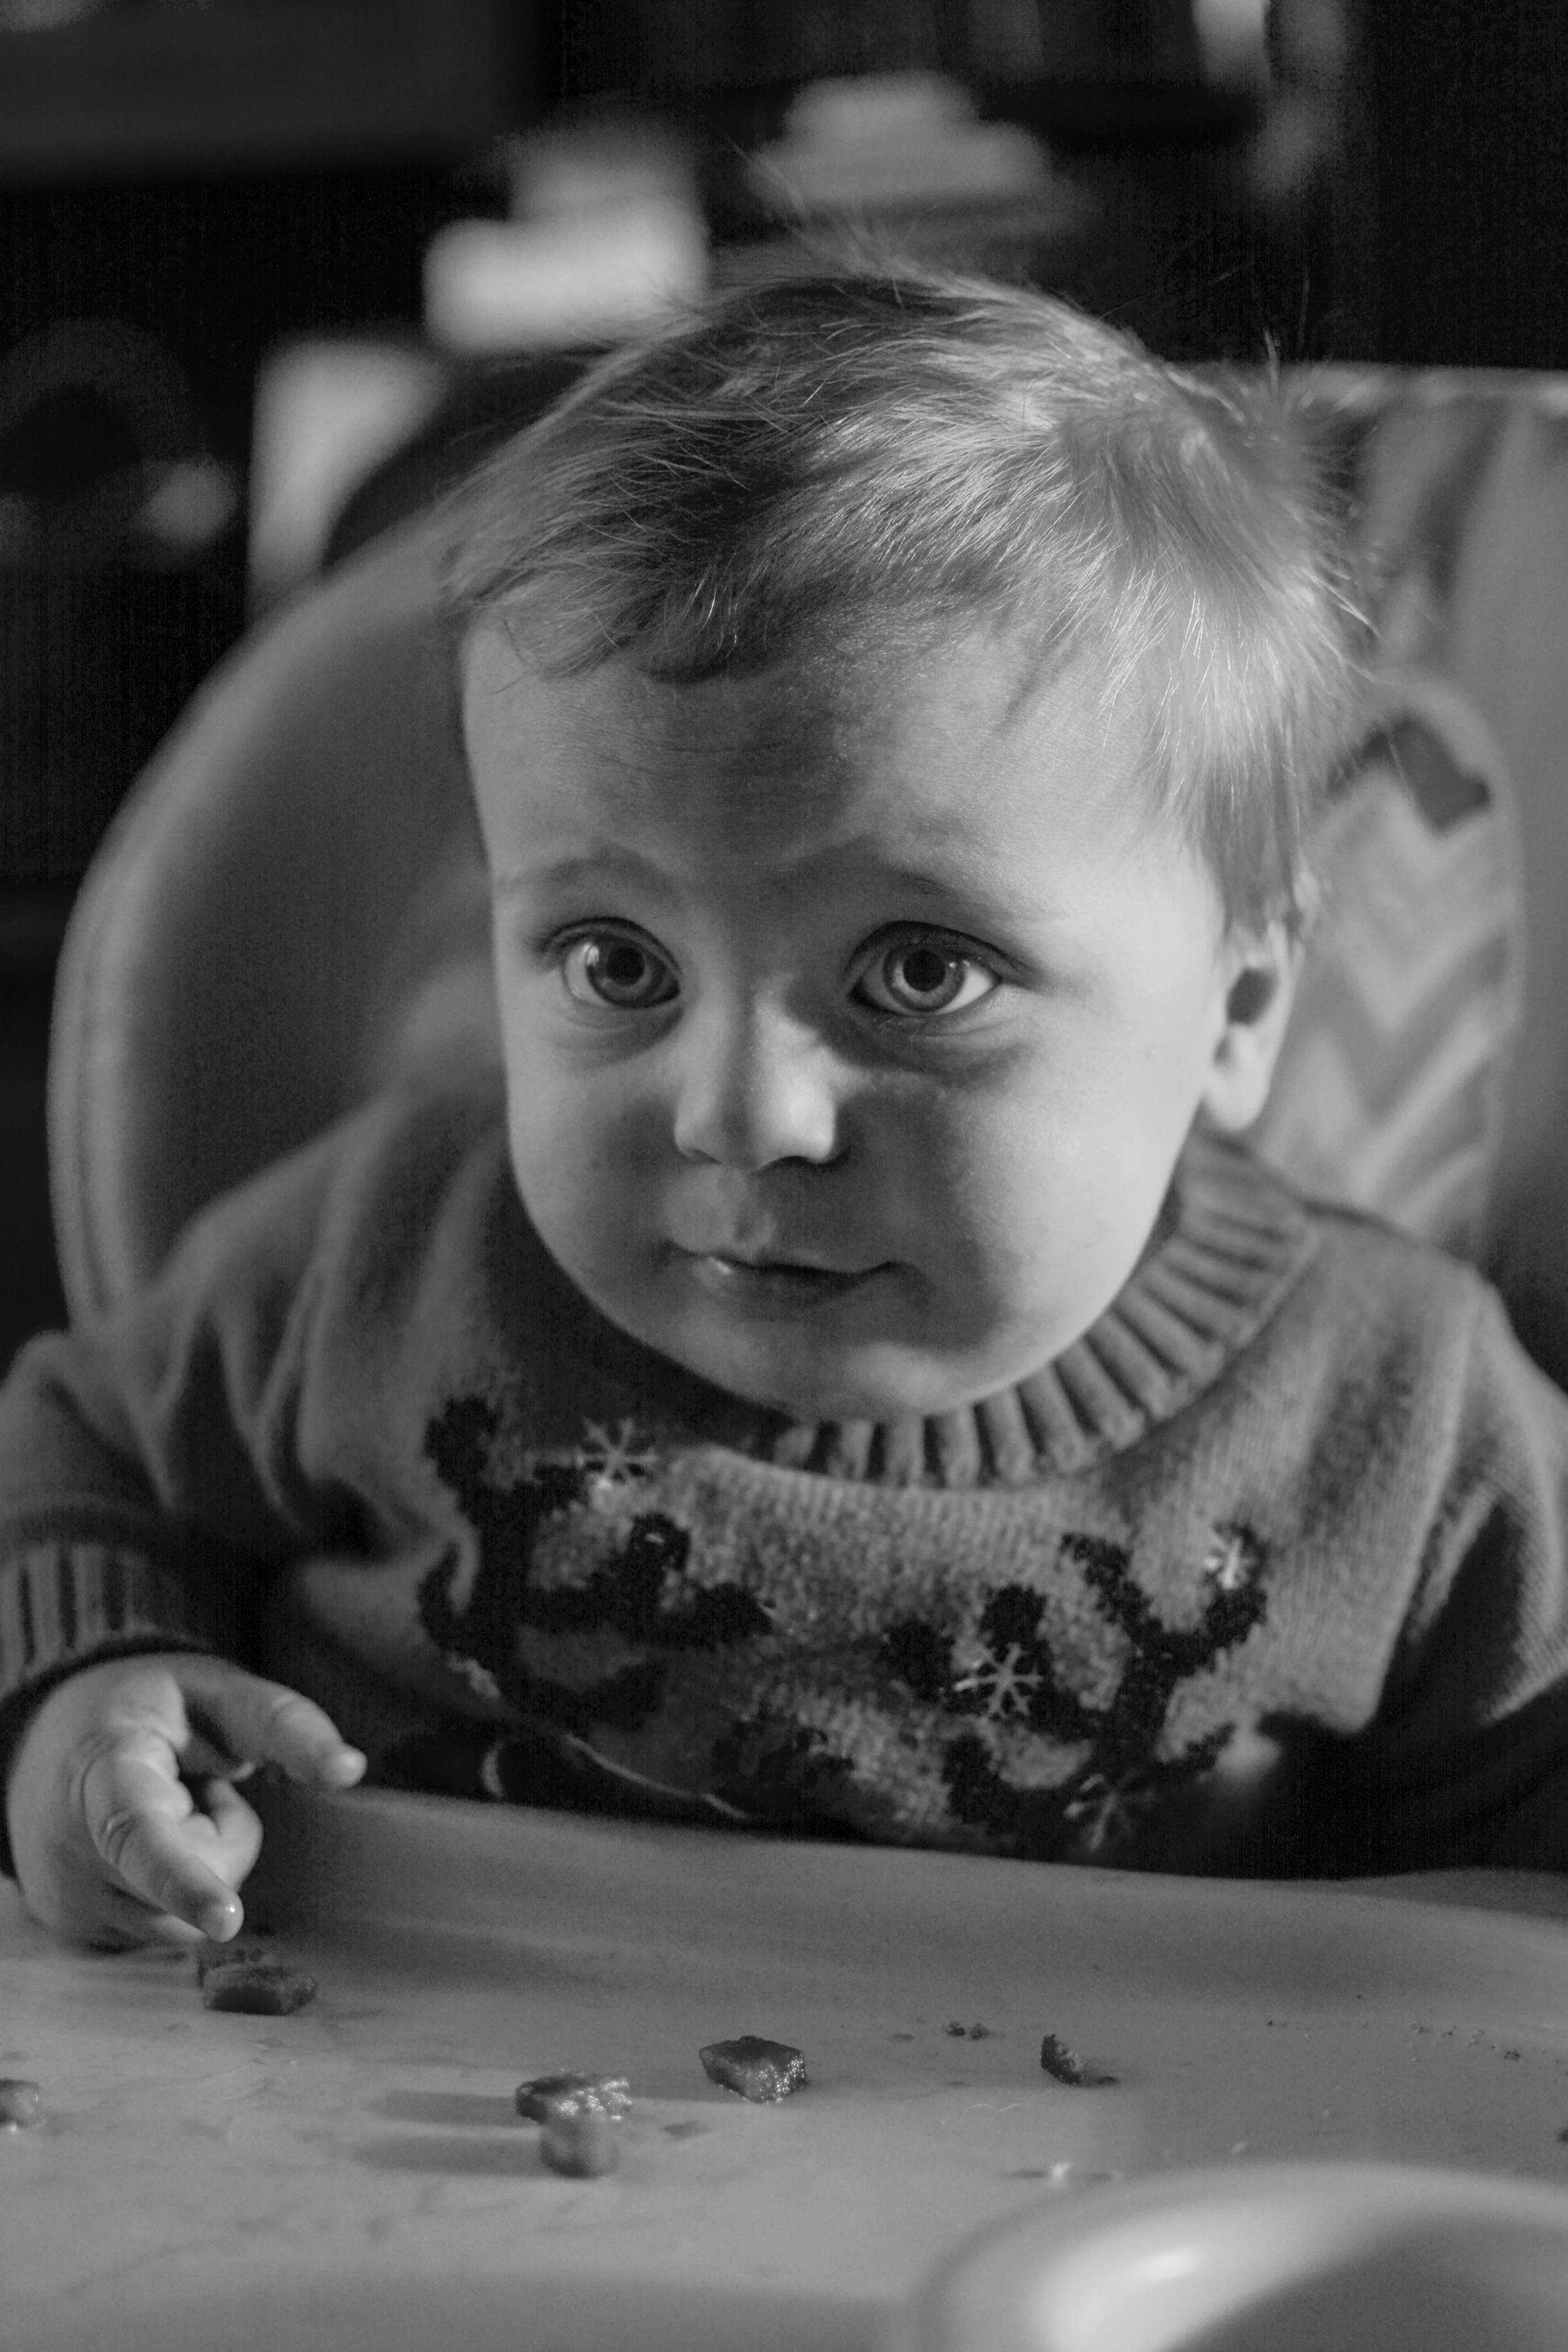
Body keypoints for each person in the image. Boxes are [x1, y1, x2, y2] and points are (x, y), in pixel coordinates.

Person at [4, 266, 1565, 1955]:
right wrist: (90, 1690)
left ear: (1241, 1004)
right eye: (614, 960)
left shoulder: (1399, 1429)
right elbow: (85, 1449)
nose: (741, 1116)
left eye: (917, 973)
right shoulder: (382, 1253)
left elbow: (1495, 1953)